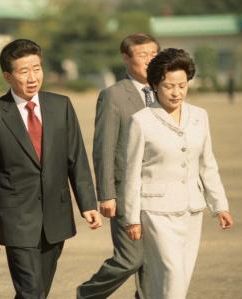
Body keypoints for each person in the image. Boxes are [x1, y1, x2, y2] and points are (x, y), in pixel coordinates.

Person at [0, 38, 102, 298]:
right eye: (24, 71)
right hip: (16, 219)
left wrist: (87, 203)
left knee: (38, 290)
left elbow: (76, 157)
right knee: (31, 290)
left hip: (56, 215)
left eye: (37, 68)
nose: (32, 77)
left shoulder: (61, 105)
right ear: (7, 76)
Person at [123, 48, 234, 299]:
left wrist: (220, 205)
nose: (177, 93)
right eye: (169, 86)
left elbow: (208, 163)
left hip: (192, 210)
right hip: (156, 213)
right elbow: (131, 173)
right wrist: (132, 218)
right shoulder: (141, 121)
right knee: (172, 275)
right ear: (154, 85)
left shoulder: (199, 116)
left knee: (180, 277)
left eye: (182, 86)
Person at [77, 33, 159, 299]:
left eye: (154, 54)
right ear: (126, 58)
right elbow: (104, 148)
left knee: (154, 263)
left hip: (159, 193)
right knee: (130, 259)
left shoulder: (165, 92)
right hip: (126, 193)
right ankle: (88, 294)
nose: (150, 60)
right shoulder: (113, 95)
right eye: (143, 55)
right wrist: (107, 194)